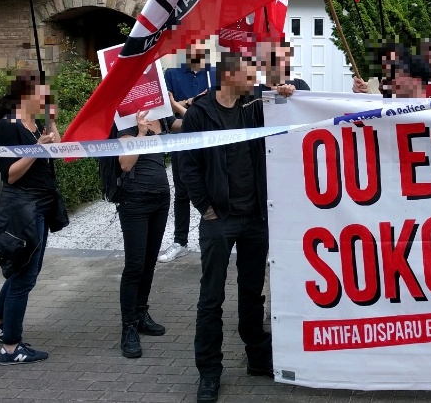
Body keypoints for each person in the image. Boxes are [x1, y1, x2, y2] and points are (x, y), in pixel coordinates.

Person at [178, 51, 296, 403]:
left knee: (252, 292)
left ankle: (258, 357)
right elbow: (188, 165)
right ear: (229, 75)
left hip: (254, 219)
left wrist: (288, 92)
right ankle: (209, 372)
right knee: (211, 297)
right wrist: (207, 209)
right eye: (250, 72)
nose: (255, 77)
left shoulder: (254, 107)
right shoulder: (201, 114)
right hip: (220, 220)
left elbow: (290, 104)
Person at [0, 70, 67, 365]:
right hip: (23, 209)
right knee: (24, 278)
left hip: (41, 206)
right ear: (26, 95)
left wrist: (52, 123)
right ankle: (11, 347)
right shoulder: (8, 127)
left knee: (25, 269)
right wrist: (36, 148)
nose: (47, 98)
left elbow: (55, 151)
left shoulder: (35, 124)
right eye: (44, 93)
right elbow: (10, 174)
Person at [116, 109, 181, 358]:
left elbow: (188, 126)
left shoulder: (162, 117)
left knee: (149, 263)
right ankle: (128, 327)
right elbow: (125, 163)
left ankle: (141, 314)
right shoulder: (124, 123)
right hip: (134, 200)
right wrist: (141, 132)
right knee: (134, 265)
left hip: (160, 198)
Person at [160, 40, 217, 263]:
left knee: (213, 188)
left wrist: (182, 105)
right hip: (181, 141)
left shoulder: (214, 73)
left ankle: (214, 238)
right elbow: (166, 113)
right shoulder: (172, 73)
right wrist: (191, 101)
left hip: (209, 141)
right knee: (182, 191)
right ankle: (180, 241)